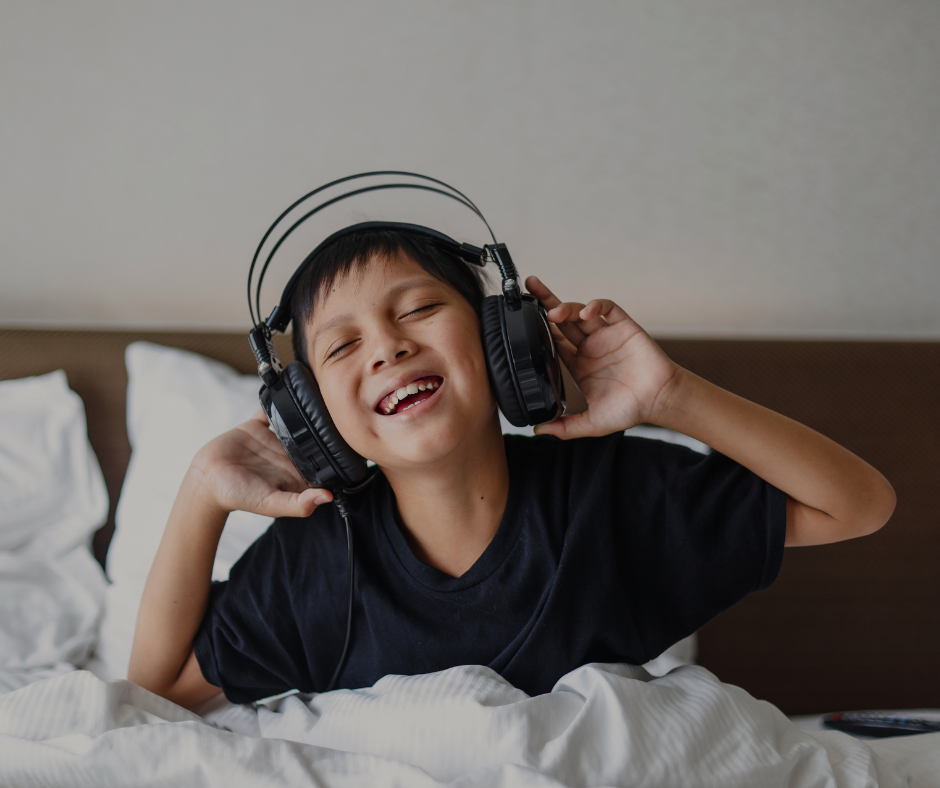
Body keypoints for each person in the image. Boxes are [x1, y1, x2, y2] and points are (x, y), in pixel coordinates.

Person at [127, 228, 896, 709]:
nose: (388, 348)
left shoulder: (613, 496)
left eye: (419, 310)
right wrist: (201, 495)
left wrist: (673, 396)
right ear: (314, 418)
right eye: (342, 346)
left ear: (506, 343)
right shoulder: (316, 566)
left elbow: (858, 505)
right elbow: (156, 690)